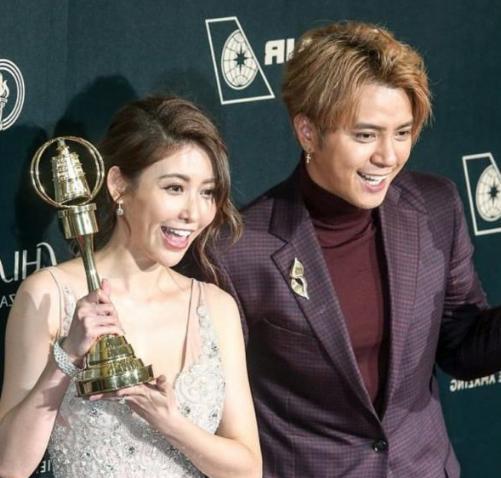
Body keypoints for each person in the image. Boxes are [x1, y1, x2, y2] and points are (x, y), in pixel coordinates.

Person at [206, 21, 501, 477]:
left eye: (402, 133)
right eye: (365, 135)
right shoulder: (239, 251)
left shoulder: (435, 206)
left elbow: (462, 346)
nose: (388, 156)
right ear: (308, 132)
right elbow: (216, 411)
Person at [0, 96, 262, 478]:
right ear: (119, 185)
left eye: (207, 192)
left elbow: (248, 469)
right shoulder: (48, 295)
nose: (193, 213)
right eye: (175, 188)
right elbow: (9, 465)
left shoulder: (215, 307)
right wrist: (67, 357)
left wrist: (170, 423)